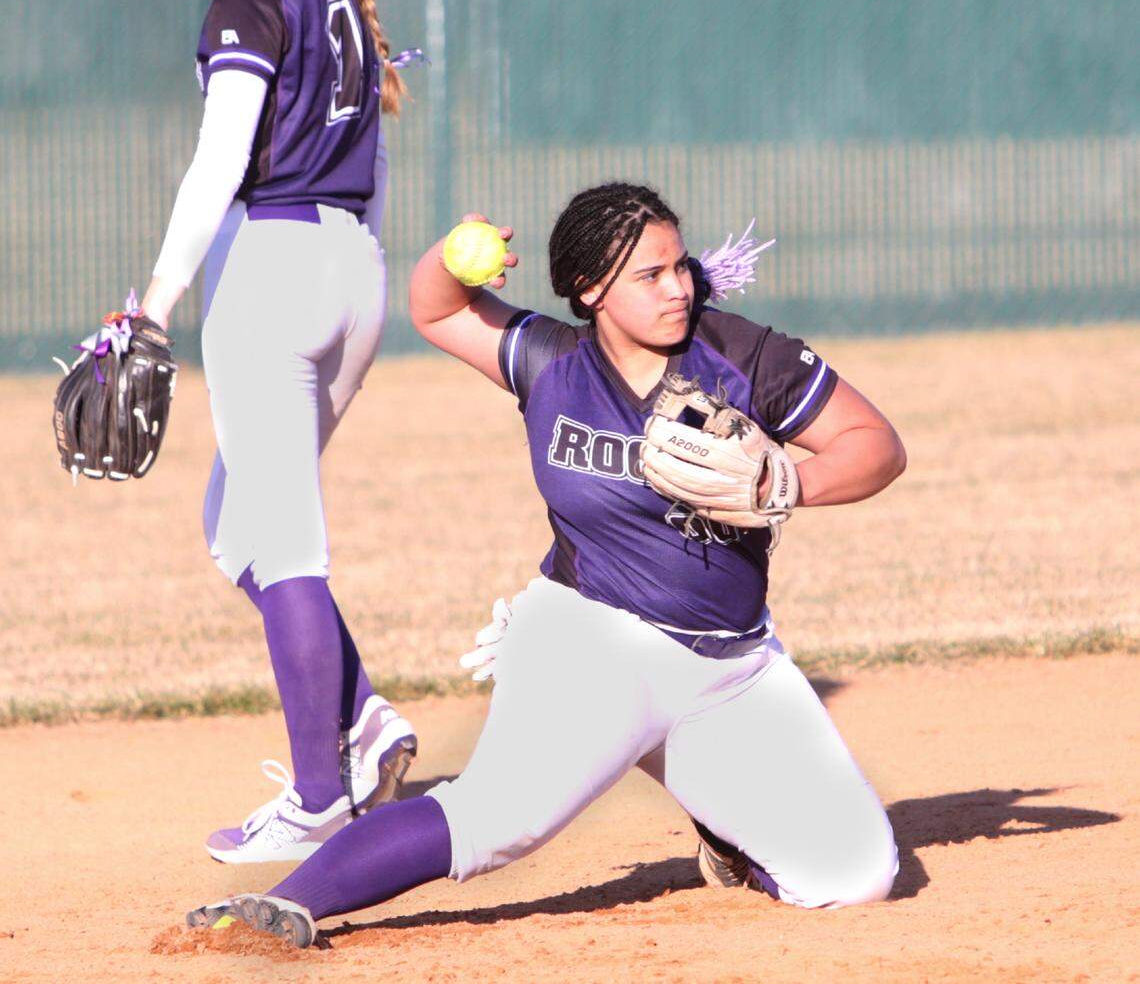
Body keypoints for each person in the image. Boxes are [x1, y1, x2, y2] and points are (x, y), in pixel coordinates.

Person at [187, 181, 907, 945]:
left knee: (856, 873)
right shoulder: (550, 361)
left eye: (680, 267)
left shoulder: (740, 355)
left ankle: (729, 831)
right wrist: (455, 255)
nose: (678, 288)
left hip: (733, 664)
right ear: (591, 290)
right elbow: (436, 307)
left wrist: (789, 480)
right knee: (497, 819)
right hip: (591, 640)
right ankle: (285, 901)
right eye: (650, 275)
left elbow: (877, 445)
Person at [142, 0, 418, 864]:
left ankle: (317, 794)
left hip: (272, 265)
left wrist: (154, 297)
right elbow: (374, 159)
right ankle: (365, 721)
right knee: (237, 520)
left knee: (284, 539)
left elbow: (221, 162)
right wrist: (356, 266)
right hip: (351, 265)